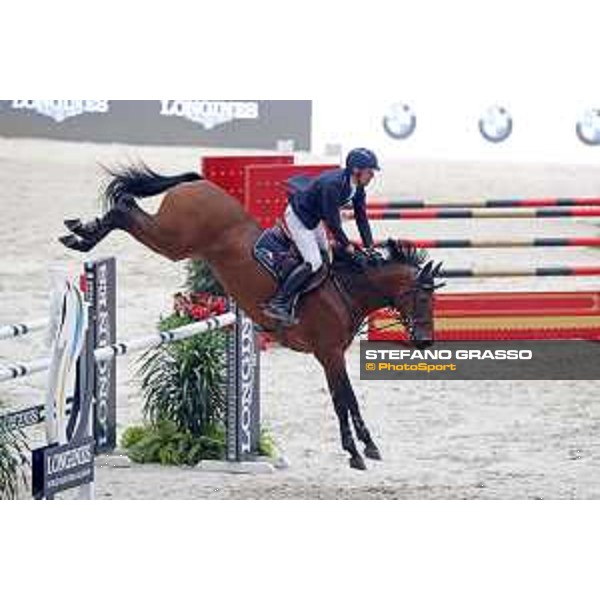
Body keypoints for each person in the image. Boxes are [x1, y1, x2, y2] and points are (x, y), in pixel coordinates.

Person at [264, 147, 380, 325]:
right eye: (370, 171)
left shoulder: (357, 188)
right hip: (299, 217)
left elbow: (361, 218)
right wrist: (348, 247)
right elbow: (333, 223)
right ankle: (279, 303)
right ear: (356, 170)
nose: (372, 175)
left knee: (327, 254)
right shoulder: (333, 185)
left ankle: (311, 301)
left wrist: (369, 247)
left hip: (314, 217)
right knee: (314, 262)